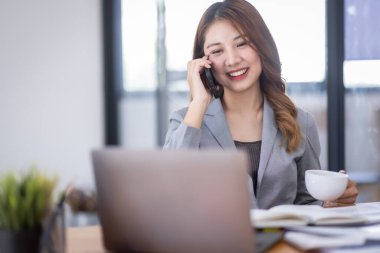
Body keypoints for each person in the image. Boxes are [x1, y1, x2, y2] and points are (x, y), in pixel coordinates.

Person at [163, 0, 358, 209]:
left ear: (261, 46)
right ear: (204, 63)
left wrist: (333, 200)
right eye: (217, 51)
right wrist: (199, 101)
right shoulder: (188, 121)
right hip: (215, 242)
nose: (232, 59)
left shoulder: (300, 122)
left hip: (284, 241)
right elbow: (168, 191)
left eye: (242, 43)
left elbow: (307, 202)